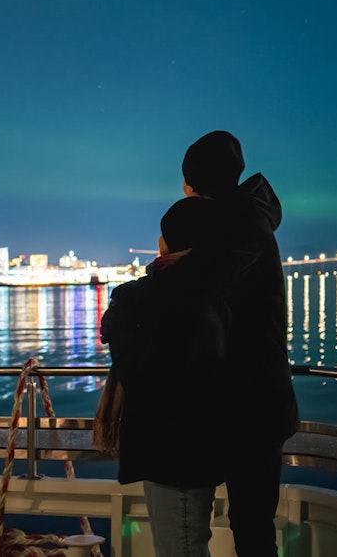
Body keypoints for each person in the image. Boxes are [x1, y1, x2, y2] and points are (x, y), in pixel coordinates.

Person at [179, 130, 300, 557]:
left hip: (241, 404)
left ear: (195, 184)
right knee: (251, 522)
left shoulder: (232, 231)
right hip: (256, 402)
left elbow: (192, 300)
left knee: (231, 524)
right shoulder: (249, 224)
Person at [100, 194, 233, 557]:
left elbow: (142, 367)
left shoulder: (168, 295)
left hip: (176, 448)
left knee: (181, 547)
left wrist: (123, 311)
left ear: (169, 242)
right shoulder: (214, 288)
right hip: (189, 445)